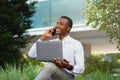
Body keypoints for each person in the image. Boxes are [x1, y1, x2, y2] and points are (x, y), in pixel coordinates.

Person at [28, 16, 84, 80]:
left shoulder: (76, 44)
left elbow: (81, 69)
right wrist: (44, 37)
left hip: (68, 77)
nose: (57, 26)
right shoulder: (51, 43)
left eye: (61, 24)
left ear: (68, 28)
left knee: (51, 65)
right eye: (57, 23)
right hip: (52, 77)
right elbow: (31, 54)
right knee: (51, 66)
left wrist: (68, 66)